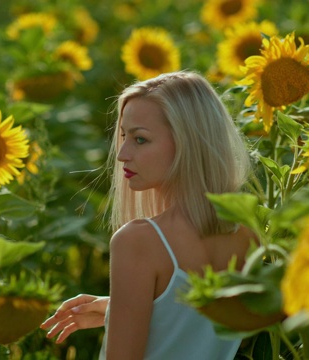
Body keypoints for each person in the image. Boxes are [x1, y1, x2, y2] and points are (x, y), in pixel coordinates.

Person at [41, 70, 256, 359]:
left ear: (188, 143)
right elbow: (192, 323)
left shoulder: (140, 241)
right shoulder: (248, 234)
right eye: (123, 137)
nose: (122, 154)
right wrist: (117, 309)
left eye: (140, 139)